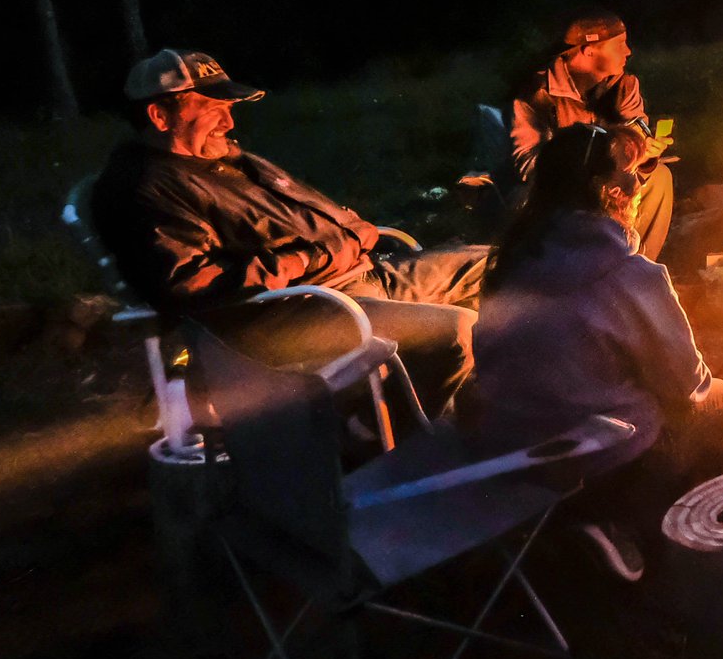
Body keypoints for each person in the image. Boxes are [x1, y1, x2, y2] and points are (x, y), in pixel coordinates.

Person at [91, 49, 489, 408]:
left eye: (229, 107)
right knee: (453, 330)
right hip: (300, 314)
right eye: (214, 109)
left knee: (503, 262)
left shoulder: (229, 160)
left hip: (354, 279)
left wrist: (348, 236)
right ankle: (371, 440)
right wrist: (319, 254)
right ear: (160, 116)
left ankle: (507, 398)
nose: (229, 121)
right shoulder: (144, 190)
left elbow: (324, 215)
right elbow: (192, 283)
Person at [466, 124, 723, 581]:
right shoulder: (631, 274)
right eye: (630, 172)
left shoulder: (512, 256)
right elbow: (689, 386)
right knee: (721, 399)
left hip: (510, 451)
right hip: (596, 459)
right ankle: (697, 541)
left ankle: (588, 520)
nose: (639, 182)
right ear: (606, 189)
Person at [509, 9, 674, 258]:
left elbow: (637, 133)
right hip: (567, 191)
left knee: (660, 176)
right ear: (590, 50)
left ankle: (633, 268)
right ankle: (561, 268)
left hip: (613, 182)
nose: (628, 51)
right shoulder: (539, 95)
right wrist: (592, 165)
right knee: (525, 198)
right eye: (619, 44)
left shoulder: (623, 86)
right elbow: (530, 165)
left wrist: (646, 153)